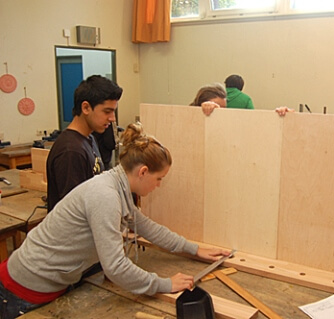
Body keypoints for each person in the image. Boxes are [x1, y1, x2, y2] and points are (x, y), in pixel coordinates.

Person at [0, 123, 231, 318]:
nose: (158, 185)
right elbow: (115, 267)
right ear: (142, 172)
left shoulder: (117, 186)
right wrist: (165, 284)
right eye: (158, 179)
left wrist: (194, 249)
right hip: (23, 289)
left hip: (49, 281)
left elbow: (148, 227)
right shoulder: (106, 195)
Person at [46, 75, 123, 212]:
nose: (112, 118)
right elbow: (73, 212)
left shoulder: (90, 139)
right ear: (86, 108)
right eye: (107, 111)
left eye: (113, 111)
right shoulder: (70, 151)